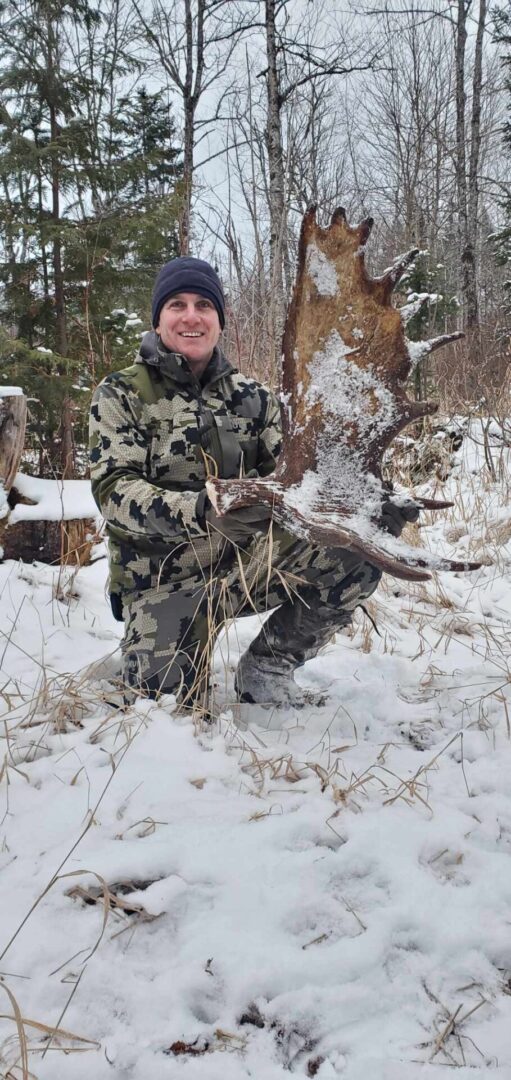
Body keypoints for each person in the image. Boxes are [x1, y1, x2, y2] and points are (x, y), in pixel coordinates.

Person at [89, 257, 418, 713]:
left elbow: (300, 479)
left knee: (355, 550)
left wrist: (367, 504)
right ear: (159, 318)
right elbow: (115, 491)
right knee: (162, 708)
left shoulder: (254, 397)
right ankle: (162, 647)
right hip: (164, 576)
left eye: (204, 304)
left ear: (219, 320)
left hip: (247, 564)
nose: (191, 316)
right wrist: (201, 508)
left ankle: (267, 668)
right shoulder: (121, 394)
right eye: (177, 304)